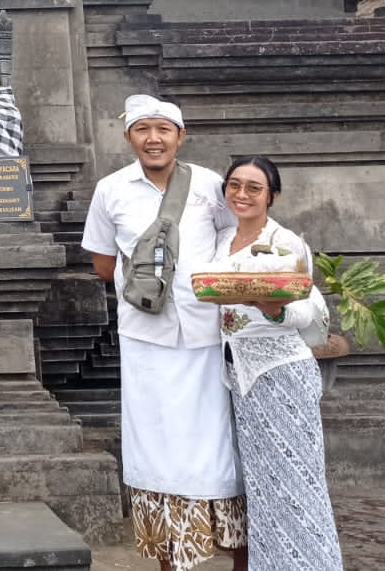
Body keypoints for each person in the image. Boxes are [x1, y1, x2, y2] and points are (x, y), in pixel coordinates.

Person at [82, 94, 248, 571]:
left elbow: (234, 236)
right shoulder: (112, 190)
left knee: (216, 440)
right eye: (143, 130)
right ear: (128, 137)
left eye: (163, 129)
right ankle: (171, 557)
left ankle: (235, 548)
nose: (153, 139)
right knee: (155, 439)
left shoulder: (211, 185)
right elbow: (102, 262)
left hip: (206, 333)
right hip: (146, 338)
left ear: (180, 135)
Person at [216, 155, 344, 570]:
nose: (242, 194)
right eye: (235, 185)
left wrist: (267, 306)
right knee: (264, 488)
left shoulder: (285, 243)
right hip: (241, 378)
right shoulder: (223, 241)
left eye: (254, 187)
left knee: (298, 487)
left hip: (282, 374)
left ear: (272, 195)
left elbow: (304, 313)